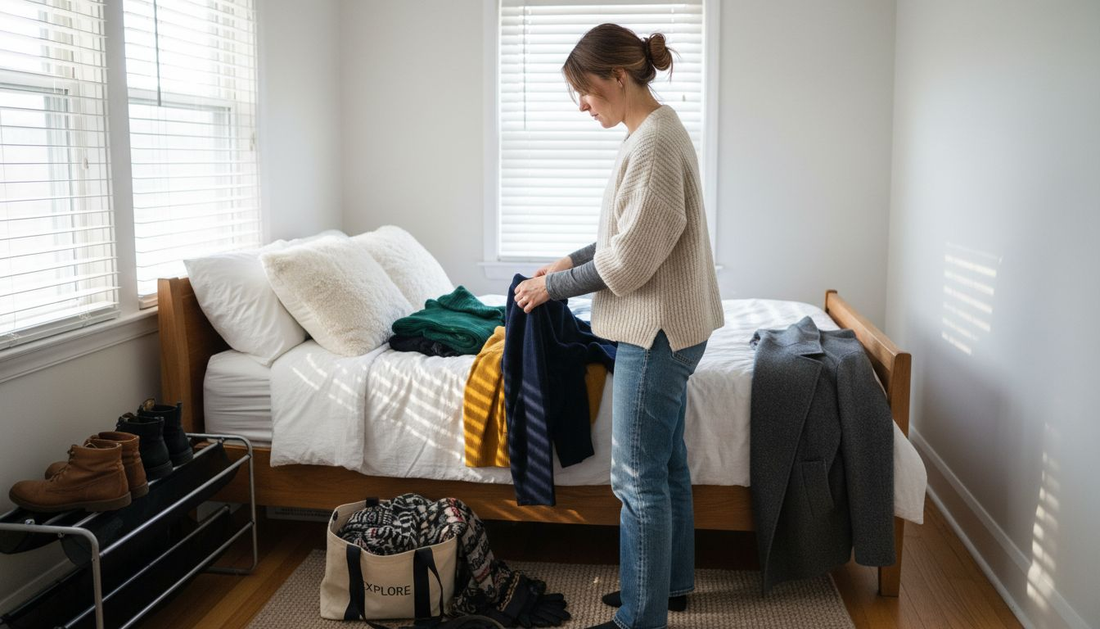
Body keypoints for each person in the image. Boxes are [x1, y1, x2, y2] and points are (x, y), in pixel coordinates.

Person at [511, 23, 724, 629]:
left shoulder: (653, 142)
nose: (582, 104)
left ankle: (641, 617)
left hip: (656, 332)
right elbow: (626, 234)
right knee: (667, 465)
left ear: (619, 77)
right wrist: (571, 261)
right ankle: (668, 587)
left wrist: (549, 287)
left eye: (587, 91)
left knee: (636, 480)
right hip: (676, 324)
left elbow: (628, 262)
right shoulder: (654, 131)